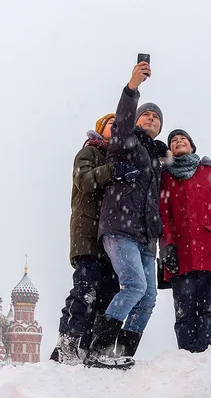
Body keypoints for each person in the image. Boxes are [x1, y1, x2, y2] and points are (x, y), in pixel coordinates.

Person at [83, 61, 168, 368]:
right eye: (146, 113)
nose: (151, 119)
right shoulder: (126, 143)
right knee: (134, 286)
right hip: (120, 228)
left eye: (156, 117)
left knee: (148, 298)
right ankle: (98, 350)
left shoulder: (156, 159)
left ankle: (122, 352)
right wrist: (132, 88)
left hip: (145, 237)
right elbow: (121, 120)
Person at [51, 114, 120, 365]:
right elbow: (84, 181)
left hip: (110, 238)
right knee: (85, 290)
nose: (117, 128)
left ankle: (90, 348)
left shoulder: (117, 158)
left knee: (106, 296)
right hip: (87, 234)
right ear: (101, 128)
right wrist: (112, 170)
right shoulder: (89, 153)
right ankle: (67, 344)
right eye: (113, 124)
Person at [159, 129, 211, 353]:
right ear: (170, 150)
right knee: (184, 310)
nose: (178, 142)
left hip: (209, 250)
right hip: (180, 254)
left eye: (183, 139)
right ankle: (187, 360)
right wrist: (167, 247)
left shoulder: (208, 172)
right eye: (173, 141)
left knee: (209, 309)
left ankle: (209, 358)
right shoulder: (166, 178)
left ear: (192, 146)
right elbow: (163, 215)